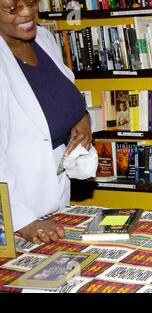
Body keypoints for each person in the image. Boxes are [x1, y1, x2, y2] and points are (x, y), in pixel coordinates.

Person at [0, 0, 92, 244]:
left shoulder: (44, 39)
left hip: (55, 189)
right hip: (18, 208)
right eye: (12, 8)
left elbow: (64, 94)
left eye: (30, 2)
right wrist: (22, 221)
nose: (27, 12)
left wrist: (83, 118)